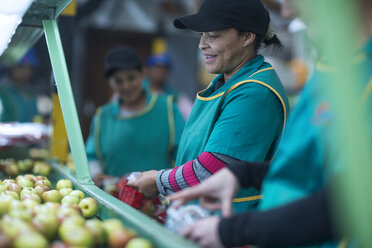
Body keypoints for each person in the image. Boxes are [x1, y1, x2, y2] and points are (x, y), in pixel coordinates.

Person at [168, 0, 372, 247]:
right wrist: (243, 175)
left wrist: (232, 231)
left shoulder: (256, 91)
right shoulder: (333, 68)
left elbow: (354, 200)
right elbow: (307, 171)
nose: (285, 10)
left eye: (212, 35)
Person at [130, 0, 289, 212]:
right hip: (200, 214)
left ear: (247, 37)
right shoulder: (225, 83)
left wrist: (158, 180)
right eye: (201, 35)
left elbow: (213, 169)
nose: (202, 44)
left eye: (213, 35)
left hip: (230, 225)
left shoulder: (255, 93)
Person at [85, 46, 185, 187]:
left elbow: (184, 153)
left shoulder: (167, 108)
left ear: (143, 73)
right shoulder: (103, 116)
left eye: (131, 78)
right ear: (110, 82)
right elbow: (92, 156)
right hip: (114, 198)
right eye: (118, 81)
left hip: (157, 200)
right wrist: (97, 174)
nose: (126, 86)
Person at [0, 49, 41, 122]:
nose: (25, 71)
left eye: (29, 67)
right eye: (21, 67)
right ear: (11, 68)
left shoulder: (31, 92)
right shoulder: (2, 92)